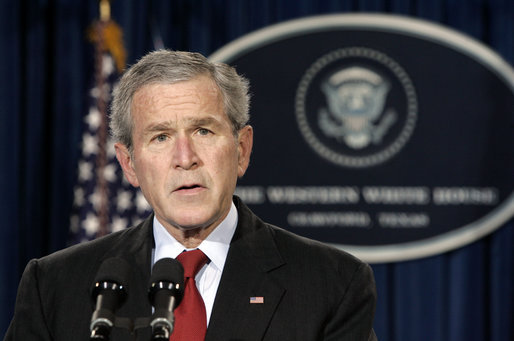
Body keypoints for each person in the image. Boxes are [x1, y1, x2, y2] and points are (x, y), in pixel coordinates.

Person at [4, 50, 377, 341]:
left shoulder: (332, 283)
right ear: (129, 164)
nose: (185, 159)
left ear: (242, 150)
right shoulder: (54, 286)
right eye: (160, 137)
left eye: (203, 131)